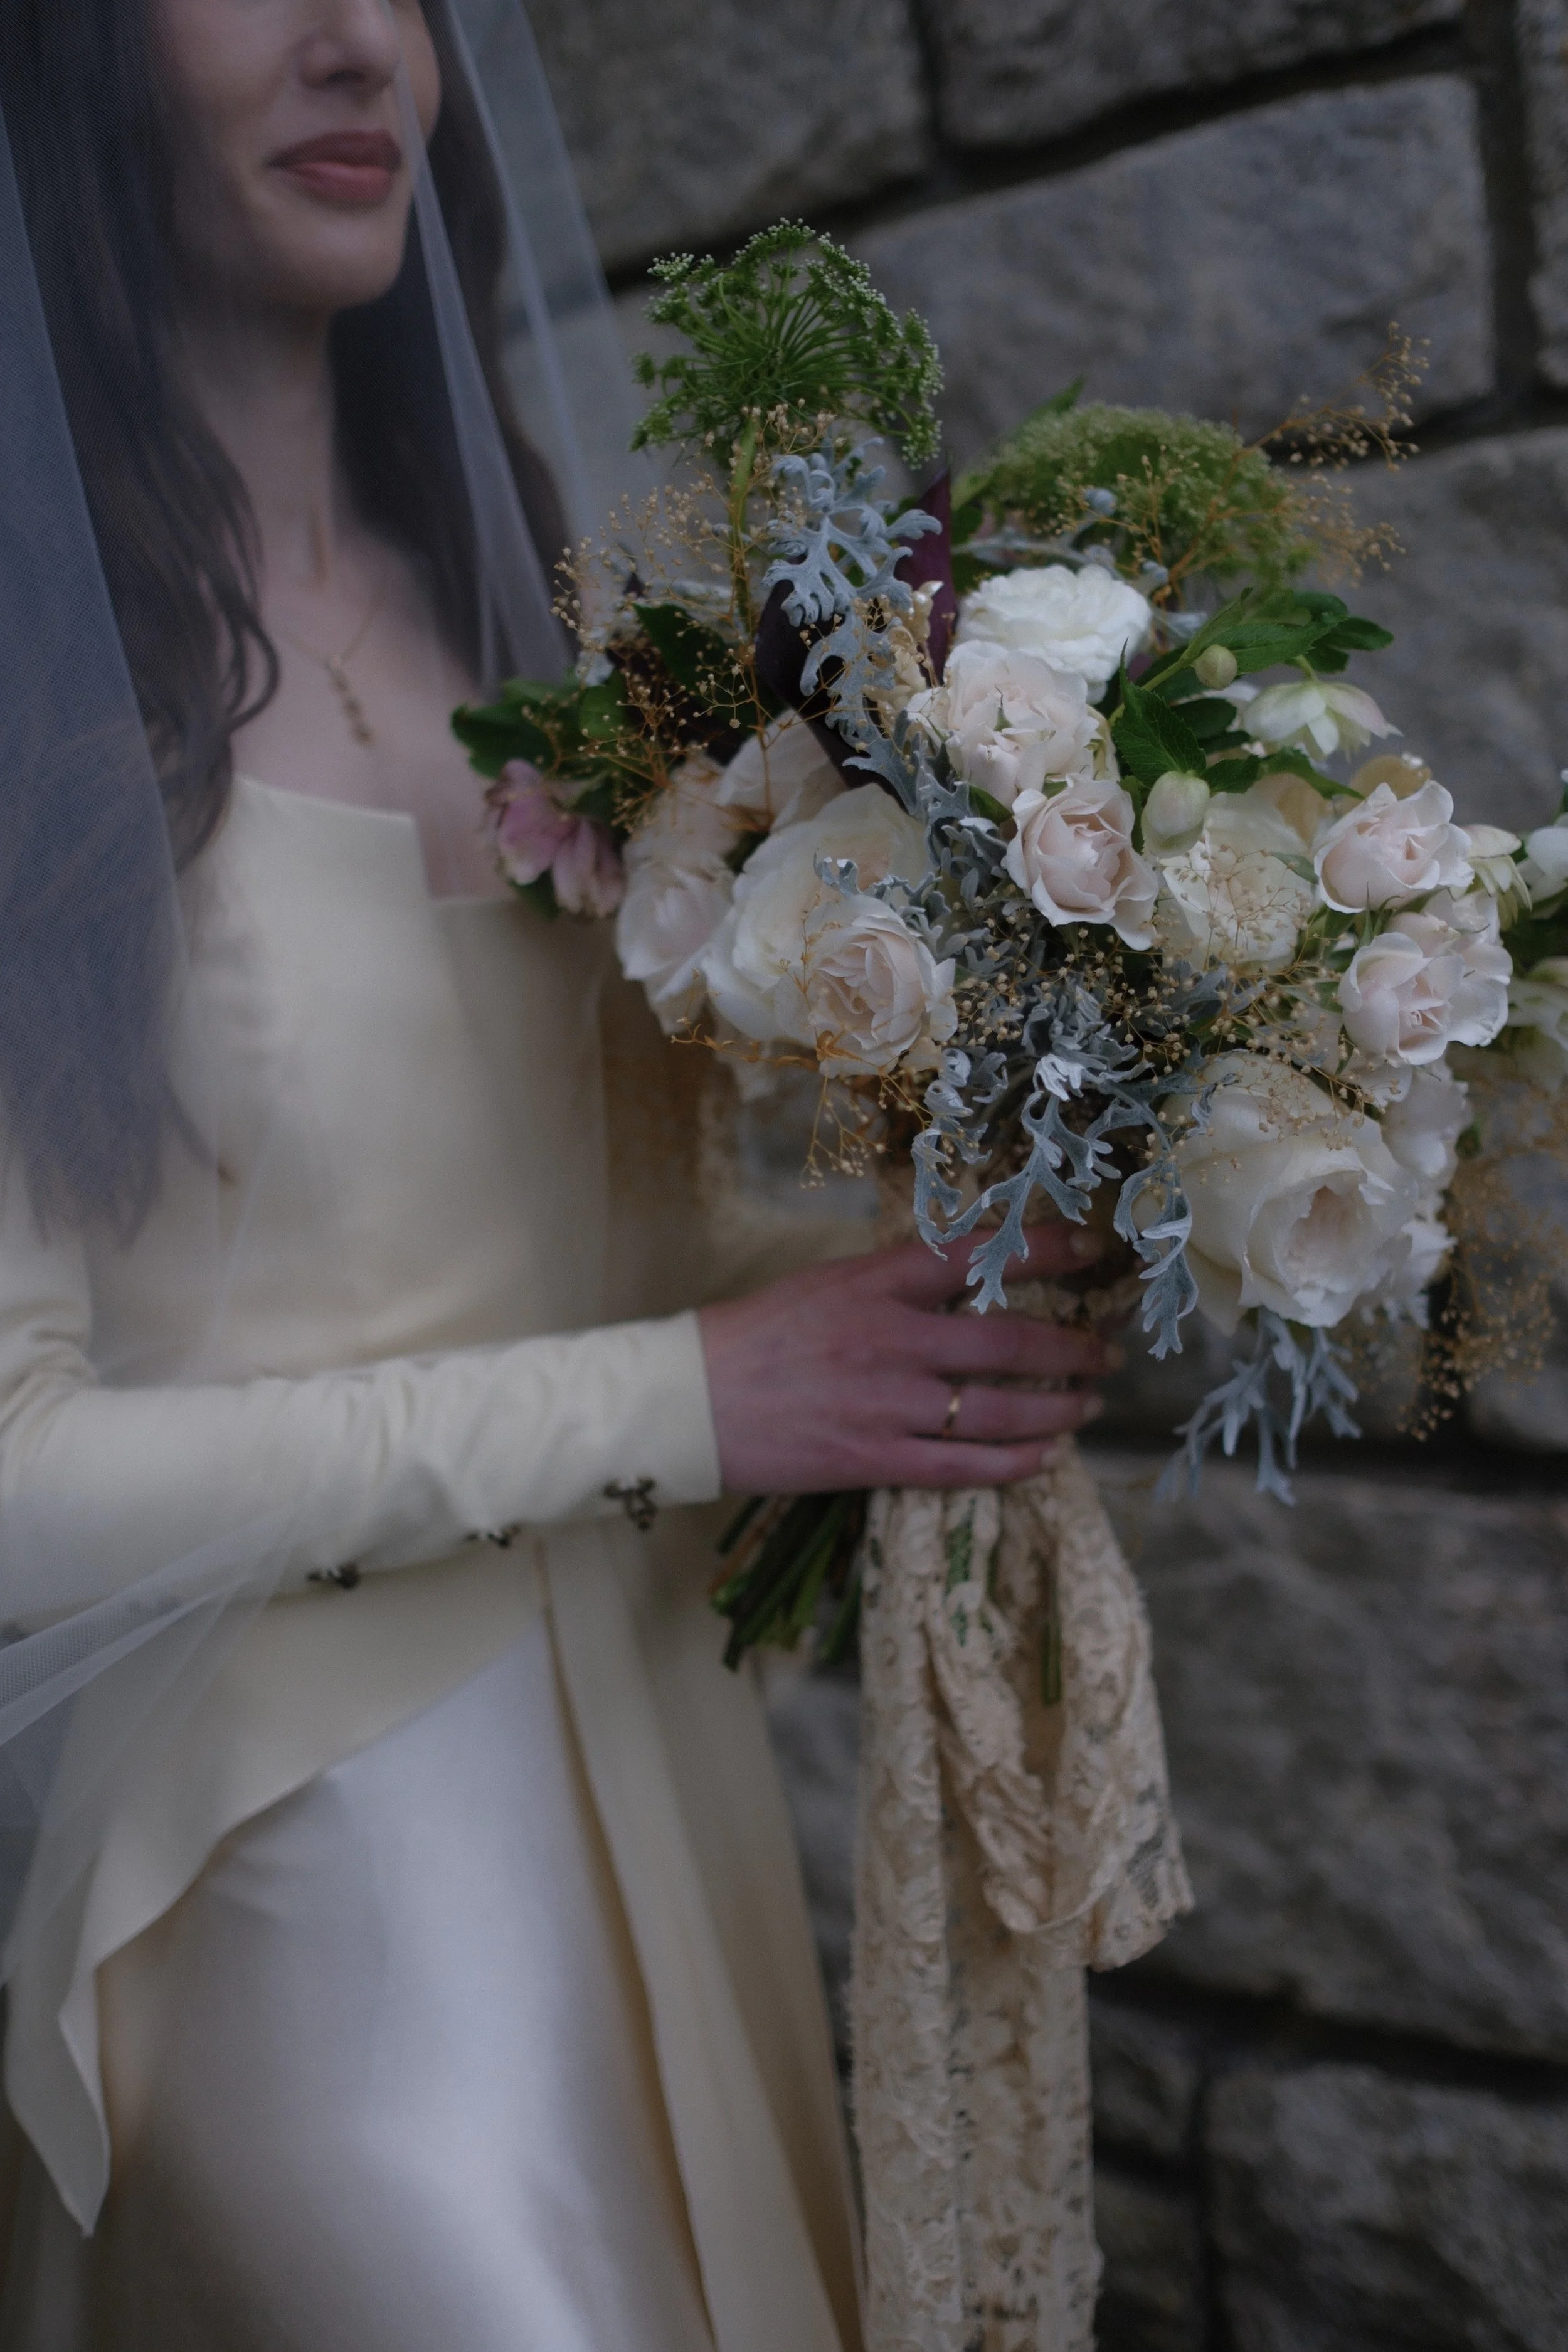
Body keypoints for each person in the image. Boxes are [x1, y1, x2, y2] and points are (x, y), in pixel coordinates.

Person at [0, 3, 1114, 2345]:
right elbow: (18, 1486)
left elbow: (597, 1262)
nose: (349, 41)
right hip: (288, 1879)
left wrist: (954, 1292)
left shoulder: (579, 649)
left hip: (652, 1817)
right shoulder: (27, 710)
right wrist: (708, 1394)